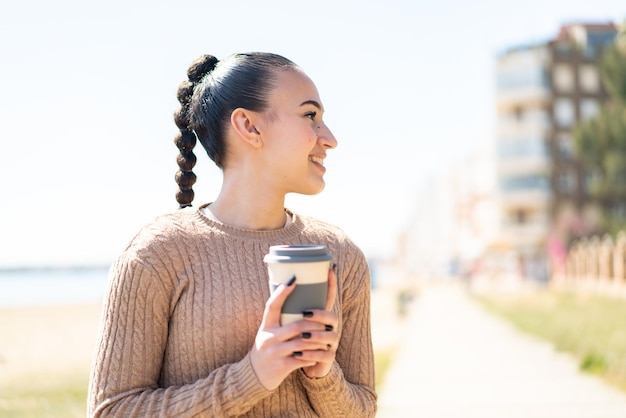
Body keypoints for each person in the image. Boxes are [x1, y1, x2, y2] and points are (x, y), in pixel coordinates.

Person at [88, 52, 377, 417]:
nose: (330, 139)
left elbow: (363, 408)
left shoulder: (340, 254)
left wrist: (323, 375)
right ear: (249, 126)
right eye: (310, 116)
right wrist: (253, 375)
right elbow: (111, 411)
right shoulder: (157, 253)